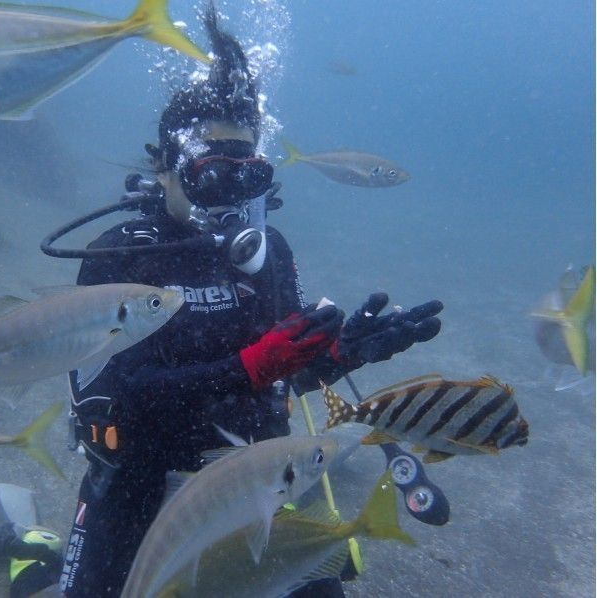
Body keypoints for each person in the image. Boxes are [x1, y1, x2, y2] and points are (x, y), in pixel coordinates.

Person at [58, 6, 443, 597]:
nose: (233, 193)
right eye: (215, 171)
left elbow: (286, 371)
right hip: (138, 481)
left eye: (250, 174)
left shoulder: (266, 253)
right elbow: (119, 395)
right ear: (165, 165)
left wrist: (345, 354)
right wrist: (248, 366)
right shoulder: (119, 256)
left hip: (257, 484)